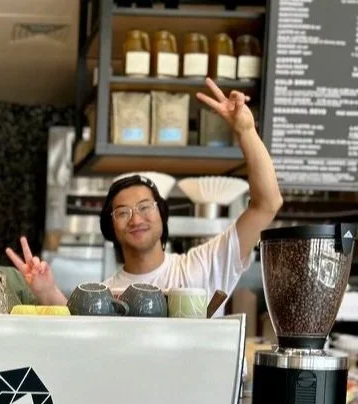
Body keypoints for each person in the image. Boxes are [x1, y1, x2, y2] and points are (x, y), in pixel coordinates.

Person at [100, 78, 283, 299]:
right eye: (123, 213)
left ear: (162, 214)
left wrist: (246, 131)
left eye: (145, 207)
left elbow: (267, 205)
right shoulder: (104, 297)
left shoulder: (203, 267)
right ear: (110, 227)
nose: (136, 220)